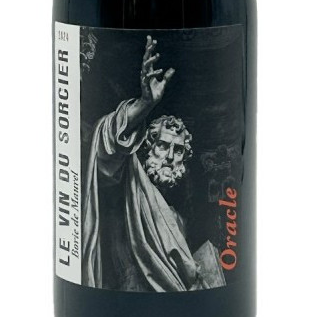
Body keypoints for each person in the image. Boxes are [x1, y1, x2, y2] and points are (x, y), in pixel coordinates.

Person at [82, 35, 224, 291]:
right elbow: (106, 145)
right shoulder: (129, 188)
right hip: (124, 304)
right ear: (148, 148)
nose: (170, 156)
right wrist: (145, 105)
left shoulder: (178, 219)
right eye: (162, 145)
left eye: (178, 150)